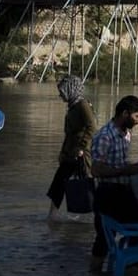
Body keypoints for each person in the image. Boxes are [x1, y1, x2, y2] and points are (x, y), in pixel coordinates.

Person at [88, 95, 138, 266]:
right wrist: (125, 170)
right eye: (137, 116)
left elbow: (119, 163)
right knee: (104, 237)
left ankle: (129, 266)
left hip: (124, 191)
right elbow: (96, 170)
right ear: (125, 113)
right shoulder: (105, 136)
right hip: (107, 192)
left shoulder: (126, 134)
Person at [46, 75, 97, 220]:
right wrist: (62, 152)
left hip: (81, 154)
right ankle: (52, 216)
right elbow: (69, 133)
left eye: (62, 91)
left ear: (70, 89)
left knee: (85, 184)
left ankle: (93, 217)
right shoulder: (73, 106)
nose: (60, 94)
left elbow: (92, 126)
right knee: (59, 183)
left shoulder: (82, 105)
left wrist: (81, 147)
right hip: (69, 152)